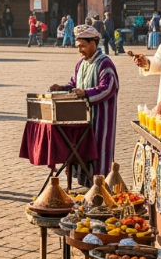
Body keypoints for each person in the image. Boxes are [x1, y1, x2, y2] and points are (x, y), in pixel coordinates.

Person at [48, 25, 120, 182]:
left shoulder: (105, 63)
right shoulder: (80, 64)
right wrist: (62, 88)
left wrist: (86, 93)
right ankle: (87, 184)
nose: (79, 50)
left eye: (82, 46)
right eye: (78, 46)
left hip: (102, 120)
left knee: (99, 152)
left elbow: (108, 88)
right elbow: (74, 83)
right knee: (82, 151)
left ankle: (100, 188)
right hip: (83, 121)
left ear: (93, 44)